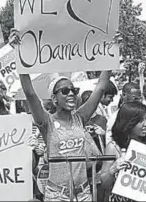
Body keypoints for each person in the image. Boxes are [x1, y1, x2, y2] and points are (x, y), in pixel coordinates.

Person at [13, 28, 117, 201]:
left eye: (73, 90)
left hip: (83, 193)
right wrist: (19, 53)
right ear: (54, 98)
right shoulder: (46, 121)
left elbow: (100, 87)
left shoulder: (80, 117)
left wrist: (113, 50)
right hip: (57, 195)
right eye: (65, 90)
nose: (71, 94)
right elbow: (30, 93)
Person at [101, 101, 146, 202]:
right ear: (128, 122)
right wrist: (113, 169)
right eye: (140, 121)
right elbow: (104, 183)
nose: (145, 124)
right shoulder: (113, 147)